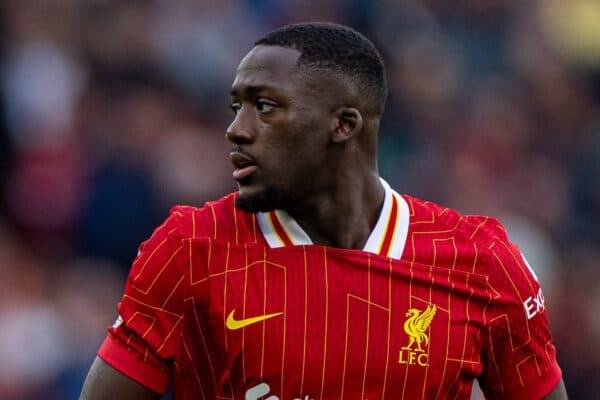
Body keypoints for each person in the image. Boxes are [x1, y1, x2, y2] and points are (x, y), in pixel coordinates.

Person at [79, 22, 567, 399]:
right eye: (236, 106)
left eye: (265, 107)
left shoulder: (482, 262)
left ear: (343, 125)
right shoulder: (191, 248)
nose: (236, 129)